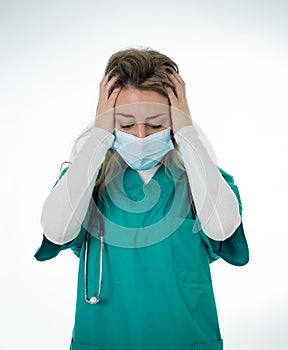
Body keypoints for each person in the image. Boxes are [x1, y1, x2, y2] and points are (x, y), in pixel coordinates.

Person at [35, 48, 249, 350]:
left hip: (185, 340)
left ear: (175, 122)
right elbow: (56, 231)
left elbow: (222, 229)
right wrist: (98, 136)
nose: (140, 135)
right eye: (124, 124)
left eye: (156, 124)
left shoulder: (201, 181)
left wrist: (187, 133)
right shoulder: (87, 182)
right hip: (103, 339)